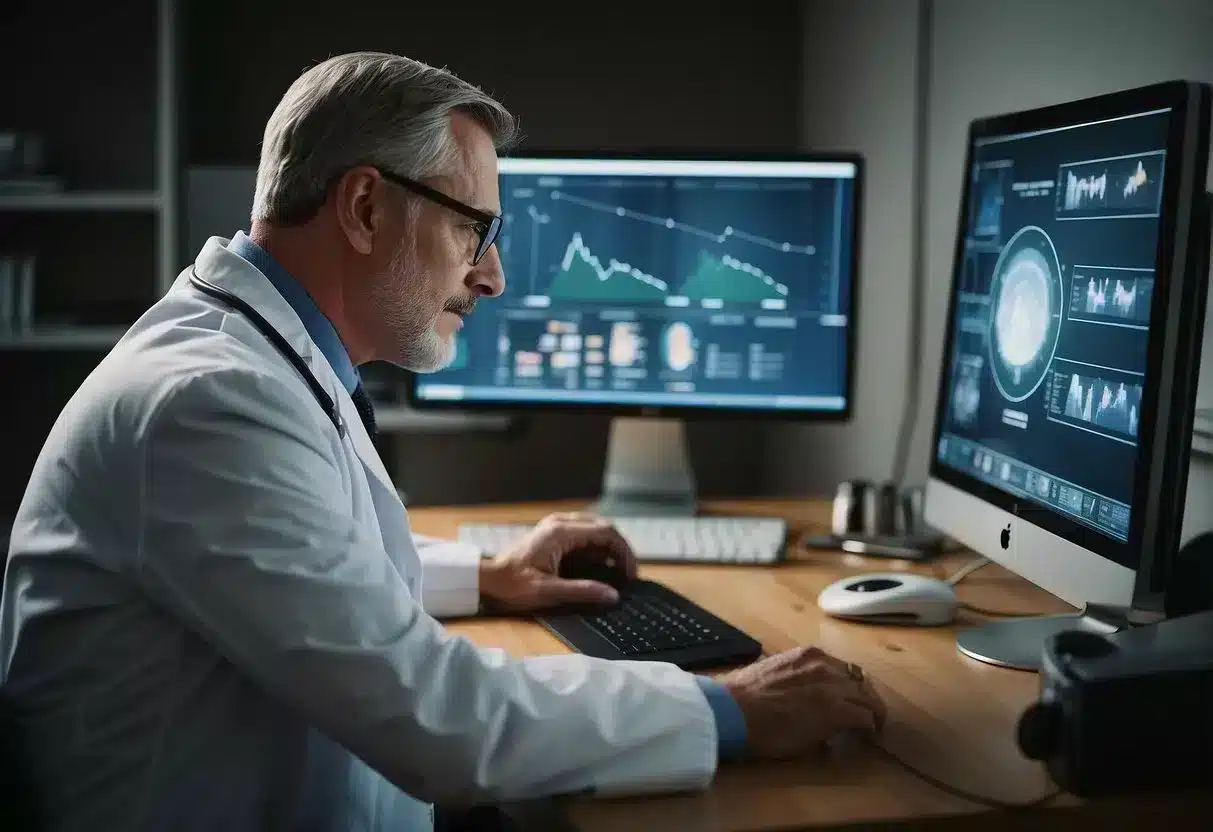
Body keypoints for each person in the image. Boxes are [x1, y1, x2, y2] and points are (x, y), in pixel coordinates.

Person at [0, 52, 886, 830]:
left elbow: (299, 561)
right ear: (363, 208)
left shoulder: (245, 359)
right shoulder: (208, 405)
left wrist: (485, 575)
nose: (493, 275)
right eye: (474, 228)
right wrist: (727, 710)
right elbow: (440, 720)